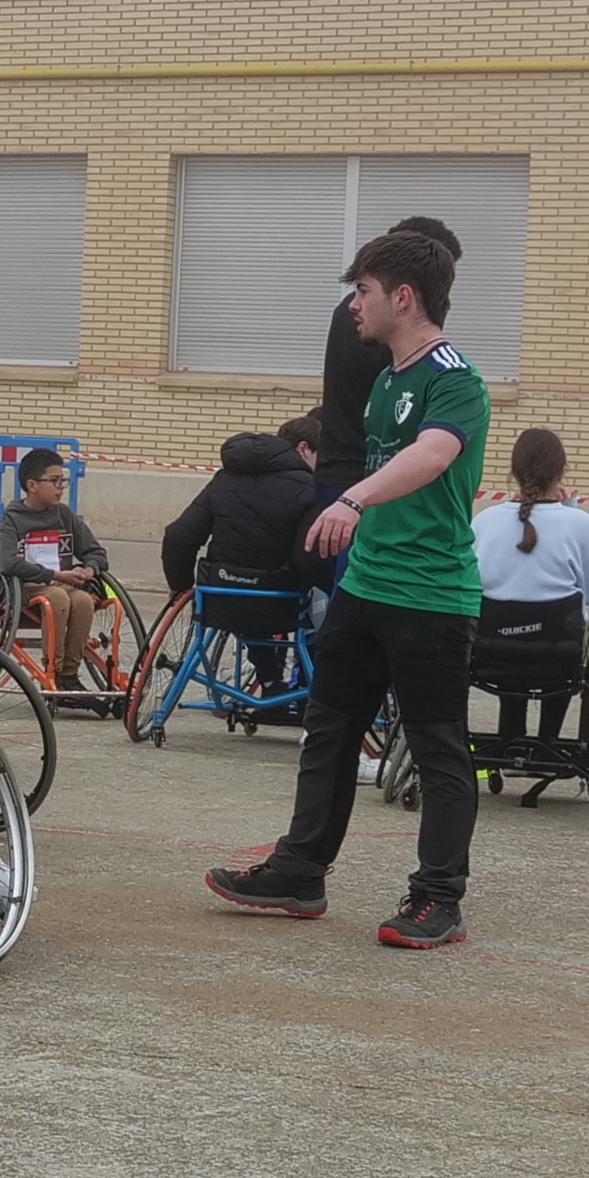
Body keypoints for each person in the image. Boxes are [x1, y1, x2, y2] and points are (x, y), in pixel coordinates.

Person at [208, 227, 491, 948]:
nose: (351, 305)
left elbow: (433, 454)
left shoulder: (454, 379)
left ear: (403, 297)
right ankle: (300, 871)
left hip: (429, 595)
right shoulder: (387, 380)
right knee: (328, 729)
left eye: (361, 291)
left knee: (437, 747)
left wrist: (352, 498)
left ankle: (438, 899)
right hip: (367, 587)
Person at [308, 217, 465, 579]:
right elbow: (427, 447)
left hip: (345, 472)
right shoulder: (384, 335)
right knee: (356, 590)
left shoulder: (363, 317)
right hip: (366, 480)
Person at [160, 413, 330, 699]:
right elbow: (307, 560)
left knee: (250, 602)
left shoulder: (224, 478)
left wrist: (180, 585)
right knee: (323, 605)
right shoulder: (309, 489)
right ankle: (313, 690)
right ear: (303, 449)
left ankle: (271, 682)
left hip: (219, 595)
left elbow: (179, 536)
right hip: (280, 601)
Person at [471, 428, 589, 747]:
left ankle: (511, 735)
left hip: (493, 651)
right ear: (561, 473)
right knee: (568, 628)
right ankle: (548, 739)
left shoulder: (485, 521)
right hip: (559, 653)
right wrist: (571, 510)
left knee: (509, 633)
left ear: (514, 473)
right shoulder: (579, 524)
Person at [0, 448, 115, 685]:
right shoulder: (13, 518)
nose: (60, 487)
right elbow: (8, 562)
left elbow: (95, 551)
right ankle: (53, 669)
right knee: (57, 598)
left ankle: (69, 673)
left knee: (82, 600)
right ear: (32, 485)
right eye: (54, 480)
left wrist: (89, 569)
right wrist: (55, 574)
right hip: (26, 587)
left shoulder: (64, 515)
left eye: (63, 481)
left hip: (60, 585)